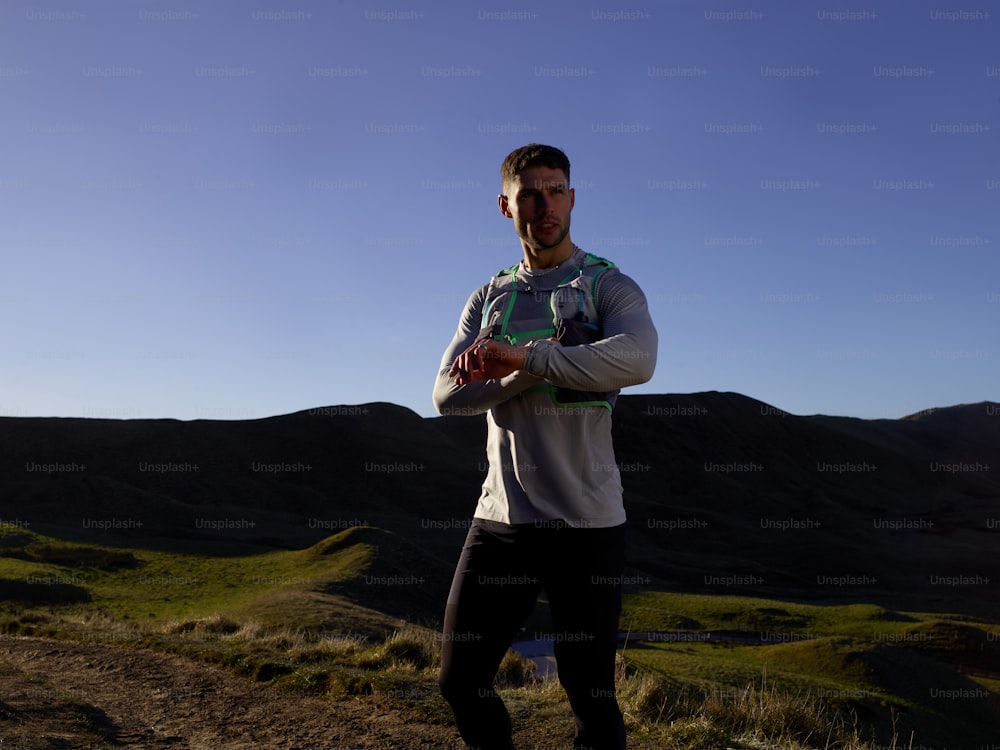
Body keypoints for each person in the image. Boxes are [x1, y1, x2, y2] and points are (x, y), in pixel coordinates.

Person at [432, 144, 658, 750]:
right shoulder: (489, 298)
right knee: (461, 682)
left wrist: (523, 357)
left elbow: (639, 358)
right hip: (501, 520)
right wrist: (526, 371)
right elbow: (446, 397)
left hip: (586, 523)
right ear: (505, 206)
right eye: (529, 193)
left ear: (573, 198)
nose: (544, 205)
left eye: (556, 190)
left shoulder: (608, 284)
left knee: (590, 695)